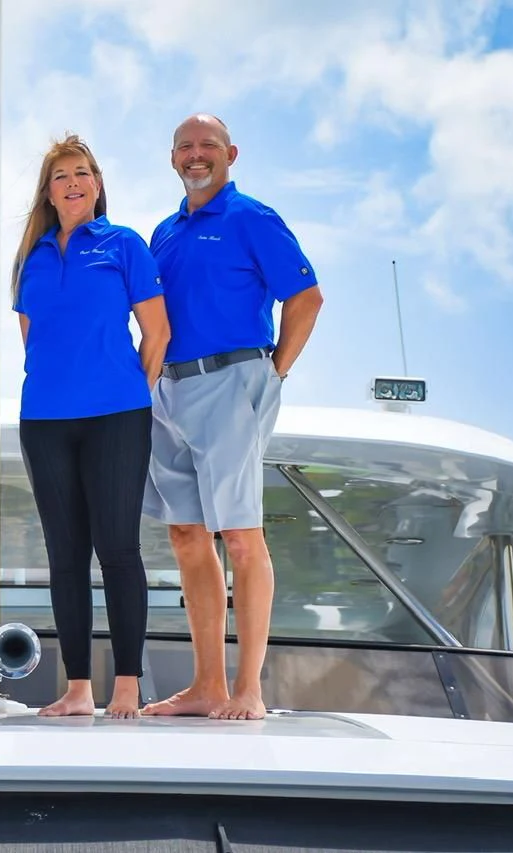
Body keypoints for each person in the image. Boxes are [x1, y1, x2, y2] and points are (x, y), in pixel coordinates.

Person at [141, 114, 324, 721]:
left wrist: (277, 370)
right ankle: (208, 686)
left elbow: (306, 296)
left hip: (232, 380)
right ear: (173, 159)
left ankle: (249, 690)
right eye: (187, 148)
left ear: (231, 154)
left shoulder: (253, 218)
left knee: (241, 537)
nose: (197, 156)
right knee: (187, 535)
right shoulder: (162, 233)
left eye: (208, 146)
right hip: (169, 391)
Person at [12, 134, 170, 719]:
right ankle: (78, 688)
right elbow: (35, 339)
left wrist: (131, 395)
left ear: (98, 184)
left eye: (83, 173)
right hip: (46, 421)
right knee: (65, 556)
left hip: (117, 418)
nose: (73, 183)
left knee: (119, 550)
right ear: (48, 192)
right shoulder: (32, 257)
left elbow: (157, 334)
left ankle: (126, 684)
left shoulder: (124, 245)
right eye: (61, 176)